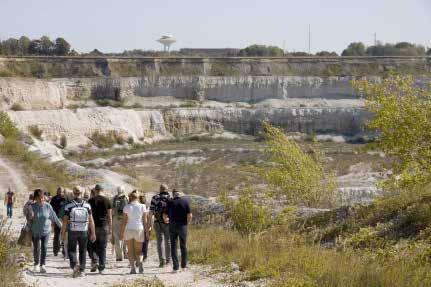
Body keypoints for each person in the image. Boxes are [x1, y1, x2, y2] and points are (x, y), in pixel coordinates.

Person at [62, 186, 96, 278]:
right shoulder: (87, 205)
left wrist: (63, 233)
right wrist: (93, 233)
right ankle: (82, 270)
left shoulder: (68, 205)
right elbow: (91, 220)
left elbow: (65, 221)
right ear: (82, 193)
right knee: (83, 250)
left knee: (72, 249)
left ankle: (74, 264)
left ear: (73, 193)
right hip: (84, 230)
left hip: (73, 230)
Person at [28, 189, 62, 273]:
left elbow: (54, 217)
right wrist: (30, 216)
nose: (41, 199)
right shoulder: (32, 206)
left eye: (42, 197)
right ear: (35, 198)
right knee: (36, 248)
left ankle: (42, 265)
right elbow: (29, 219)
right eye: (39, 198)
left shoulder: (48, 206)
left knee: (44, 247)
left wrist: (61, 227)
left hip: (46, 231)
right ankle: (36, 264)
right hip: (35, 231)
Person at [163, 189, 192, 273]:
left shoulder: (170, 202)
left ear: (174, 195)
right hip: (183, 226)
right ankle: (183, 266)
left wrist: (166, 220)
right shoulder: (185, 202)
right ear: (180, 195)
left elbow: (165, 214)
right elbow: (190, 215)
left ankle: (175, 267)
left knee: (174, 246)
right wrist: (187, 223)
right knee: (183, 245)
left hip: (172, 226)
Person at [120, 191, 147, 274]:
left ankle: (133, 268)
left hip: (129, 229)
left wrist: (121, 233)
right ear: (138, 198)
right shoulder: (143, 206)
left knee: (130, 250)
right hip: (139, 229)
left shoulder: (127, 207)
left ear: (130, 197)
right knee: (139, 251)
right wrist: (147, 232)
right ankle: (140, 263)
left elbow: (124, 221)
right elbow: (145, 221)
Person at [88, 184, 112, 274]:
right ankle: (101, 266)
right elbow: (110, 216)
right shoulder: (107, 201)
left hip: (93, 226)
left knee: (93, 245)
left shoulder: (90, 201)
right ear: (102, 190)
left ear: (95, 190)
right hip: (104, 226)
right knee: (103, 247)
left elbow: (88, 216)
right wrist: (110, 228)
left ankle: (95, 262)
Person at [149, 184, 171, 267]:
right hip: (168, 222)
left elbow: (151, 211)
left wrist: (149, 224)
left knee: (159, 241)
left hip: (157, 222)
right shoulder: (170, 198)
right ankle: (168, 261)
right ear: (166, 189)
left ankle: (161, 261)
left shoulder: (155, 198)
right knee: (168, 241)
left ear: (160, 189)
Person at [111, 186, 128, 261]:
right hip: (125, 218)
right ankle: (126, 253)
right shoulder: (127, 198)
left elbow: (111, 209)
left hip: (116, 219)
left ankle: (119, 256)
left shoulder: (113, 198)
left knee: (117, 237)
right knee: (125, 236)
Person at [50, 187, 66, 256]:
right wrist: (52, 220)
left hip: (64, 219)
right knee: (56, 235)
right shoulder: (53, 199)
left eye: (61, 191)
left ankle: (64, 250)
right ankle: (55, 250)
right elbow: (51, 209)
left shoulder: (65, 199)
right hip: (56, 218)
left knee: (64, 235)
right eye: (59, 191)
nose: (60, 192)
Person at [138, 193, 150, 261]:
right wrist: (150, 225)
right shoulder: (147, 206)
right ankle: (144, 256)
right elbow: (150, 217)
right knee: (145, 242)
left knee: (140, 242)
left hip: (139, 226)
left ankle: (140, 255)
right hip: (146, 225)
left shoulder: (139, 206)